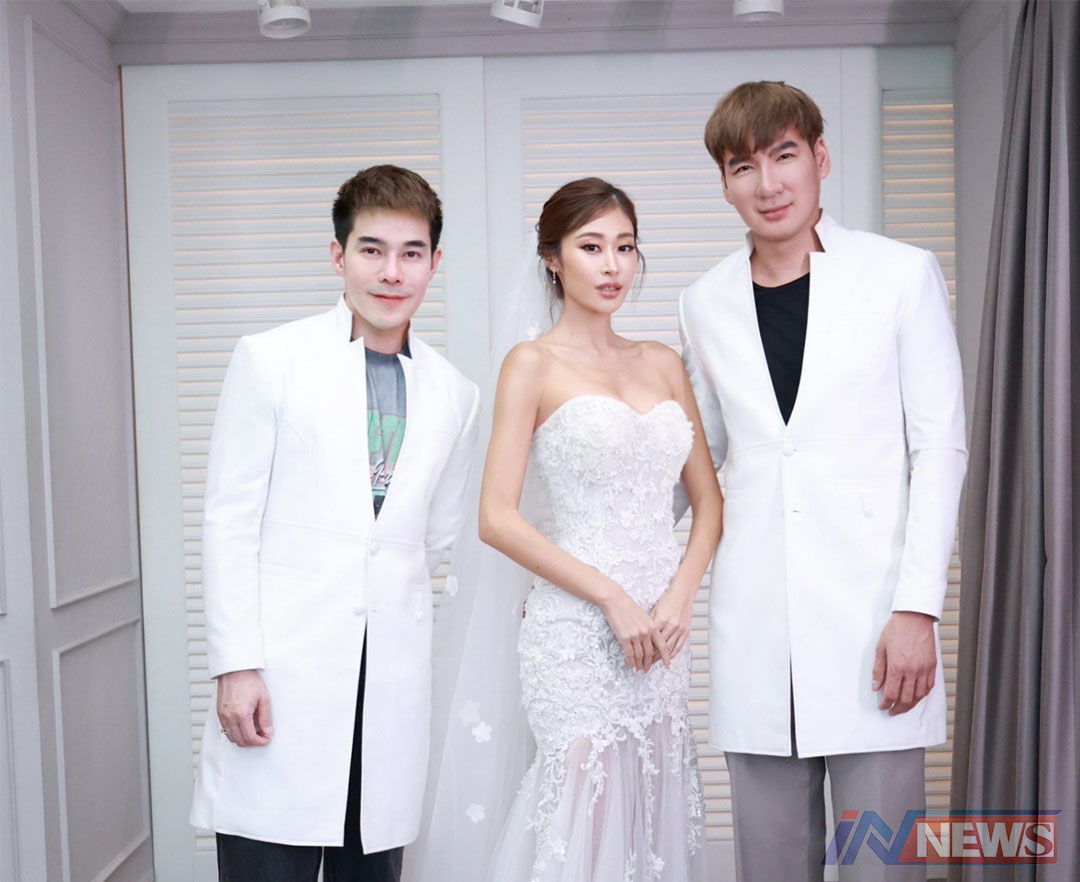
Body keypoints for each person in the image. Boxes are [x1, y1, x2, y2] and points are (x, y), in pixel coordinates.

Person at [678, 81, 967, 882]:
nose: (767, 183)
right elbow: (698, 463)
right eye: (743, 166)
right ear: (725, 183)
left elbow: (940, 449)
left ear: (821, 158)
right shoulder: (703, 303)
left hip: (875, 623)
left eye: (784, 156)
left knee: (884, 866)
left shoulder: (900, 274)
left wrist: (917, 608)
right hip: (755, 631)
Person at [189, 164, 480, 882]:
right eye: (371, 249)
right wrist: (236, 665)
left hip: (389, 689)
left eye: (411, 253)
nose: (392, 272)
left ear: (435, 262)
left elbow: (436, 538)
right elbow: (229, 521)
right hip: (282, 677)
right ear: (338, 255)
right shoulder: (271, 360)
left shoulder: (456, 394)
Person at [474, 177, 724, 881]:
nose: (613, 265)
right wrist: (612, 597)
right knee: (581, 810)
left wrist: (679, 598)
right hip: (576, 630)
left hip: (662, 633)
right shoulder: (532, 364)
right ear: (553, 259)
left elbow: (709, 503)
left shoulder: (663, 363)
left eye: (625, 247)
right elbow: (496, 517)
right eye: (591, 247)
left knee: (652, 800)